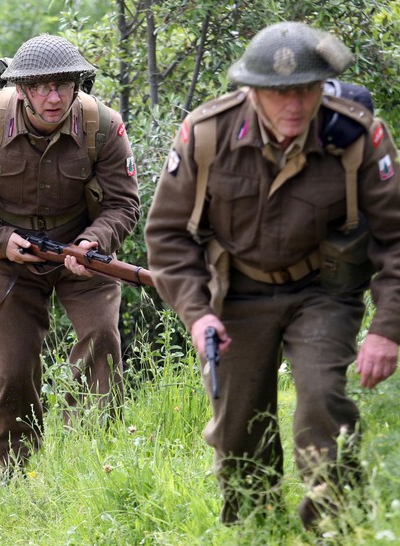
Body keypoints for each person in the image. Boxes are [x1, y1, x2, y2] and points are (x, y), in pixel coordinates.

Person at [144, 21, 400, 529]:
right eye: (278, 93)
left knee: (323, 402)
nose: (294, 106)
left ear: (321, 88)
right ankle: (255, 528)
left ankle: (332, 527)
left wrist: (387, 329)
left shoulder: (356, 136)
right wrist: (196, 316)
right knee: (237, 431)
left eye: (306, 90)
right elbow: (168, 236)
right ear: (251, 90)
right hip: (235, 294)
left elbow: (395, 237)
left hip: (322, 291)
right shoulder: (207, 134)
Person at [0, 34, 140, 473]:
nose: (53, 96)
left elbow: (123, 204)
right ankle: (15, 475)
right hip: (11, 259)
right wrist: (0, 241)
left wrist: (93, 243)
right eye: (40, 86)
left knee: (102, 342)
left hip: (82, 254)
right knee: (12, 372)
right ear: (20, 88)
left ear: (78, 85)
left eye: (63, 85)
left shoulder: (103, 125)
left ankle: (92, 464)